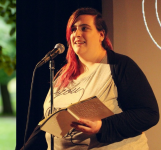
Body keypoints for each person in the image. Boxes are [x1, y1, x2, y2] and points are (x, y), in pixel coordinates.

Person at [22, 8, 159, 150]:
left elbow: (149, 114)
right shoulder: (63, 75)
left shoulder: (119, 66)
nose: (77, 34)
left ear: (101, 35)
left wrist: (102, 126)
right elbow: (47, 126)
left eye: (84, 28)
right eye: (73, 29)